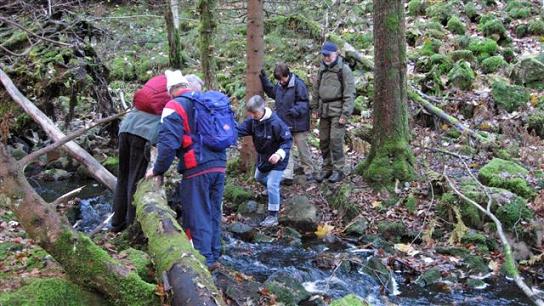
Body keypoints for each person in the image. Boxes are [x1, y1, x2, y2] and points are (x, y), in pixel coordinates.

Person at [145, 70, 226, 269]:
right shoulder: (204, 101)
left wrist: (157, 170)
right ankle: (215, 254)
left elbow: (167, 146)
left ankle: (204, 262)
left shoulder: (173, 106)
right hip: (219, 165)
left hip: (196, 168)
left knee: (198, 215)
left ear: (170, 90)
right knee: (213, 211)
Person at [111, 74, 170, 233]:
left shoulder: (158, 85)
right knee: (136, 182)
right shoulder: (178, 94)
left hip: (126, 127)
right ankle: (132, 227)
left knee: (123, 177)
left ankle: (116, 222)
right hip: (145, 134)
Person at [237, 95, 292, 227]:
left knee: (272, 184)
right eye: (251, 114)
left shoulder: (276, 123)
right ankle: (275, 194)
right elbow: (239, 129)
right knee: (258, 177)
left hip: (278, 160)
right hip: (264, 159)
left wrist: (279, 155)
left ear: (262, 109)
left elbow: (287, 141)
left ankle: (273, 216)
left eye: (255, 113)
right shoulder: (253, 121)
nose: (253, 116)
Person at [260, 63, 315, 184]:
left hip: (298, 123)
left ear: (288, 74)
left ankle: (309, 170)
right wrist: (263, 79)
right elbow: (271, 92)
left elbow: (305, 103)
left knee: (302, 147)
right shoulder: (279, 85)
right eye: (279, 80)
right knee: (285, 149)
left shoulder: (298, 84)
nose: (281, 82)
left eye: (282, 79)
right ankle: (287, 174)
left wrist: (295, 110)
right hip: (284, 124)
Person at [311, 41, 355, 183]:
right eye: (324, 55)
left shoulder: (344, 70)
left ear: (336, 54)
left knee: (335, 140)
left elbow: (349, 93)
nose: (326, 58)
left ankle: (339, 169)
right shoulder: (322, 69)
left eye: (328, 55)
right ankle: (326, 168)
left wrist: (345, 114)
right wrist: (315, 108)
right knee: (323, 140)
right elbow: (316, 90)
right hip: (324, 110)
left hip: (338, 110)